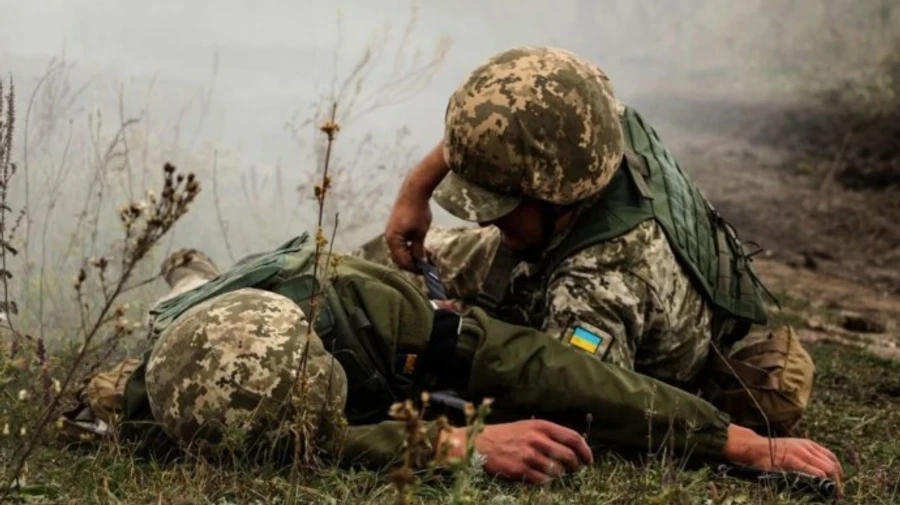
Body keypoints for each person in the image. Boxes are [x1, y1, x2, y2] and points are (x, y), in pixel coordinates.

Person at [72, 234, 841, 487]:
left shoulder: (378, 310)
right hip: (198, 332)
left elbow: (549, 370)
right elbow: (313, 442)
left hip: (342, 286)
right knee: (177, 303)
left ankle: (197, 265)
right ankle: (191, 270)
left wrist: (734, 439)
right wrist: (450, 445)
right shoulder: (154, 403)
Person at [355, 45, 814, 436]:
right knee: (381, 267)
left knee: (403, 325)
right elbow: (504, 124)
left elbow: (571, 404)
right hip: (560, 241)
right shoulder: (587, 120)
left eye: (502, 206)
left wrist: (460, 339)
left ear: (554, 191)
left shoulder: (600, 283)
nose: (487, 223)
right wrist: (417, 190)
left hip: (618, 324)